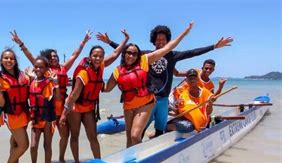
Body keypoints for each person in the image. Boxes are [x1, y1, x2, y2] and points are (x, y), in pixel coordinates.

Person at [98, 25, 233, 137]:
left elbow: (193, 52)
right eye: (158, 40)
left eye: (163, 40)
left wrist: (214, 46)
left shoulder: (173, 56)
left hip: (163, 100)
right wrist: (110, 42)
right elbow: (128, 51)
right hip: (147, 100)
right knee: (140, 130)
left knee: (160, 130)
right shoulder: (146, 56)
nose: (161, 42)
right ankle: (135, 154)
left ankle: (157, 154)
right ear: (154, 41)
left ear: (168, 41)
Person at [103, 22, 194, 147]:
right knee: (130, 137)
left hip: (148, 102)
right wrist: (93, 79)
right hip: (129, 105)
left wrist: (185, 33)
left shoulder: (144, 60)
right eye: (128, 53)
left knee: (138, 135)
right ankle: (131, 161)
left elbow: (176, 49)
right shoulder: (118, 70)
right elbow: (106, 88)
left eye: (135, 54)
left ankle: (145, 157)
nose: (131, 55)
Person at [10, 30, 91, 163]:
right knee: (45, 141)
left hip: (63, 108)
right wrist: (20, 43)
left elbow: (75, 55)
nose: (54, 58)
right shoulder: (45, 70)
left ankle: (61, 158)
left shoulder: (64, 67)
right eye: (51, 56)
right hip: (49, 109)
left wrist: (84, 41)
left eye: (56, 56)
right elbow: (31, 57)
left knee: (65, 135)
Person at [59, 29, 129, 163]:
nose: (97, 58)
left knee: (93, 136)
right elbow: (73, 95)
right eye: (95, 56)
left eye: (100, 56)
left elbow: (115, 54)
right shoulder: (84, 73)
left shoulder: (101, 65)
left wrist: (125, 39)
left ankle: (99, 161)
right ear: (90, 57)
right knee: (75, 135)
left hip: (89, 108)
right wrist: (63, 114)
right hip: (76, 109)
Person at [0, 49, 30, 163]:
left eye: (11, 58)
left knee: (15, 143)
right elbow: (1, 104)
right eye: (6, 58)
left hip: (24, 113)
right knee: (24, 145)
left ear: (15, 61)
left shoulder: (23, 75)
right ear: (1, 61)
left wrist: (32, 77)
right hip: (12, 115)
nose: (9, 61)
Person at [27, 56, 59, 163]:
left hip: (47, 118)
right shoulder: (32, 82)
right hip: (35, 118)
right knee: (33, 146)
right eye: (36, 66)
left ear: (46, 68)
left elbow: (58, 99)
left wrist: (56, 83)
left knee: (47, 145)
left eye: (41, 67)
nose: (38, 68)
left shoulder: (50, 82)